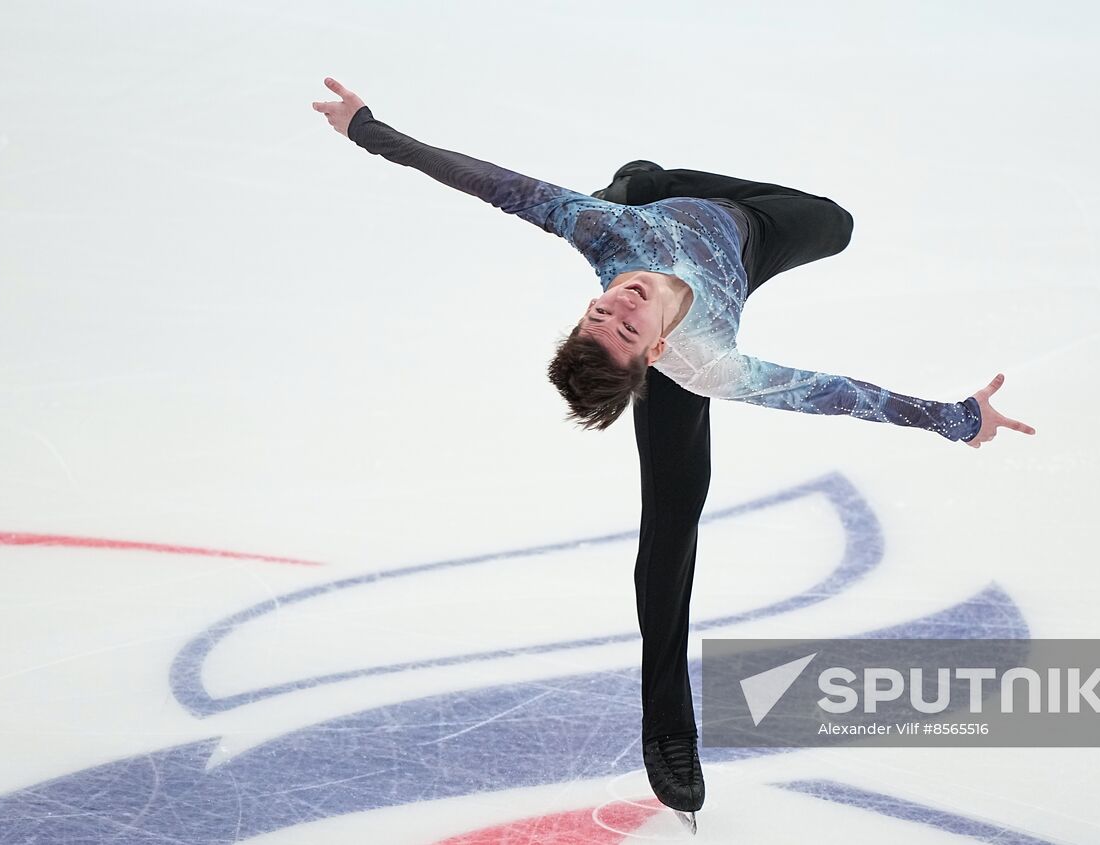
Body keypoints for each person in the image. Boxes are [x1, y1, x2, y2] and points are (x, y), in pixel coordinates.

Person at [311, 77, 1035, 819]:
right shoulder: (705, 359)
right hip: (738, 260)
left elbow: (480, 178)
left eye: (602, 310)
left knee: (833, 223)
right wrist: (951, 417)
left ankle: (644, 184)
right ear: (651, 349)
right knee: (674, 517)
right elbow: (838, 393)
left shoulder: (600, 233)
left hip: (699, 211)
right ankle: (668, 731)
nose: (620, 299)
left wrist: (368, 128)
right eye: (624, 325)